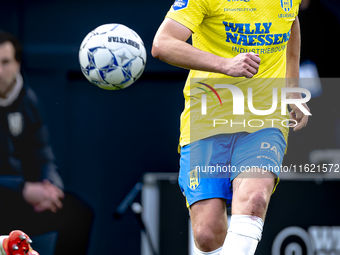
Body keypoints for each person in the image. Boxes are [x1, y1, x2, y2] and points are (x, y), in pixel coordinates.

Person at [152, 1, 310, 255]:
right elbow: (162, 44)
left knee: (255, 198)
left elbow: (290, 22)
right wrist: (225, 64)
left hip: (264, 118)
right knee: (206, 234)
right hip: (207, 119)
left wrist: (292, 86)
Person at [0, 31, 93, 255]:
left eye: (5, 62)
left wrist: (52, 188)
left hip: (21, 200)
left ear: (18, 64)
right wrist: (23, 189)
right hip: (11, 194)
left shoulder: (28, 100)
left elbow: (44, 155)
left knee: (77, 212)